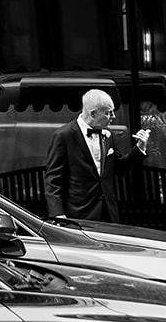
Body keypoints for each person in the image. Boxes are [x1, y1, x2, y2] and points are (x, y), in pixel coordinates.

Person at [44, 88, 149, 223]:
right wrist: (57, 214)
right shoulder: (64, 135)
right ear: (93, 114)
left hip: (108, 213)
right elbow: (53, 180)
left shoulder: (108, 134)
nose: (113, 116)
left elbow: (120, 168)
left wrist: (139, 148)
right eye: (108, 113)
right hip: (79, 214)